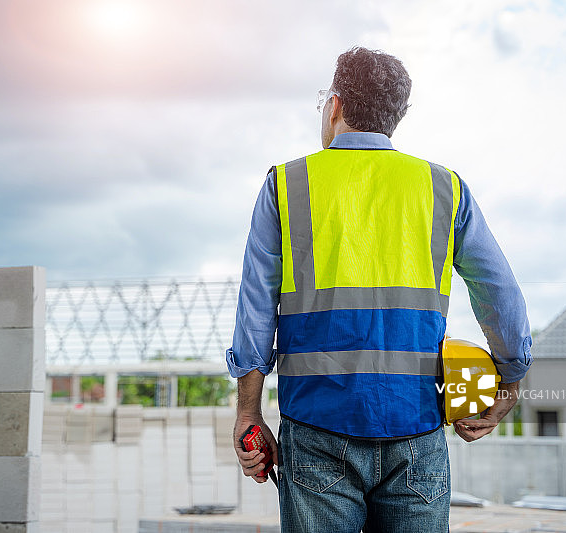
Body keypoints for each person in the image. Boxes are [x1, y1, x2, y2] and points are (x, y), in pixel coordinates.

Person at [226, 47, 533, 533]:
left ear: (335, 105)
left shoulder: (286, 184)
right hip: (416, 424)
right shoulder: (443, 187)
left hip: (316, 427)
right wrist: (510, 381)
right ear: (398, 117)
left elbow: (255, 310)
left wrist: (248, 411)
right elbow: (500, 292)